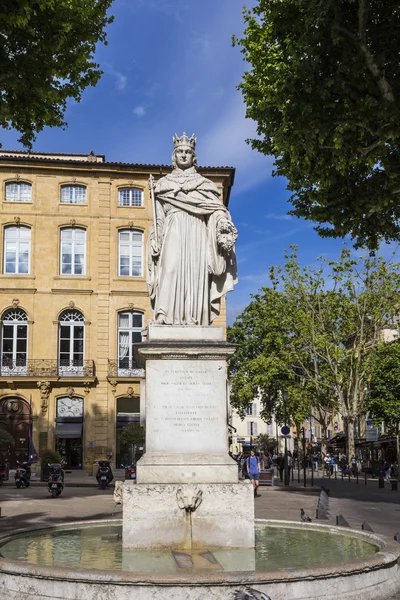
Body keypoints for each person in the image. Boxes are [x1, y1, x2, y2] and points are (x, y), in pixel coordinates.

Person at [147, 133, 238, 326]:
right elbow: (158, 218)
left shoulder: (205, 185)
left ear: (193, 156)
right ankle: (164, 314)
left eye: (187, 152)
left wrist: (222, 224)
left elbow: (216, 210)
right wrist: (156, 237)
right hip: (173, 231)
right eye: (179, 151)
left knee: (195, 275)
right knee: (169, 269)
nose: (183, 155)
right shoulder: (163, 185)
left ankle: (194, 316)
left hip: (197, 232)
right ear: (174, 156)